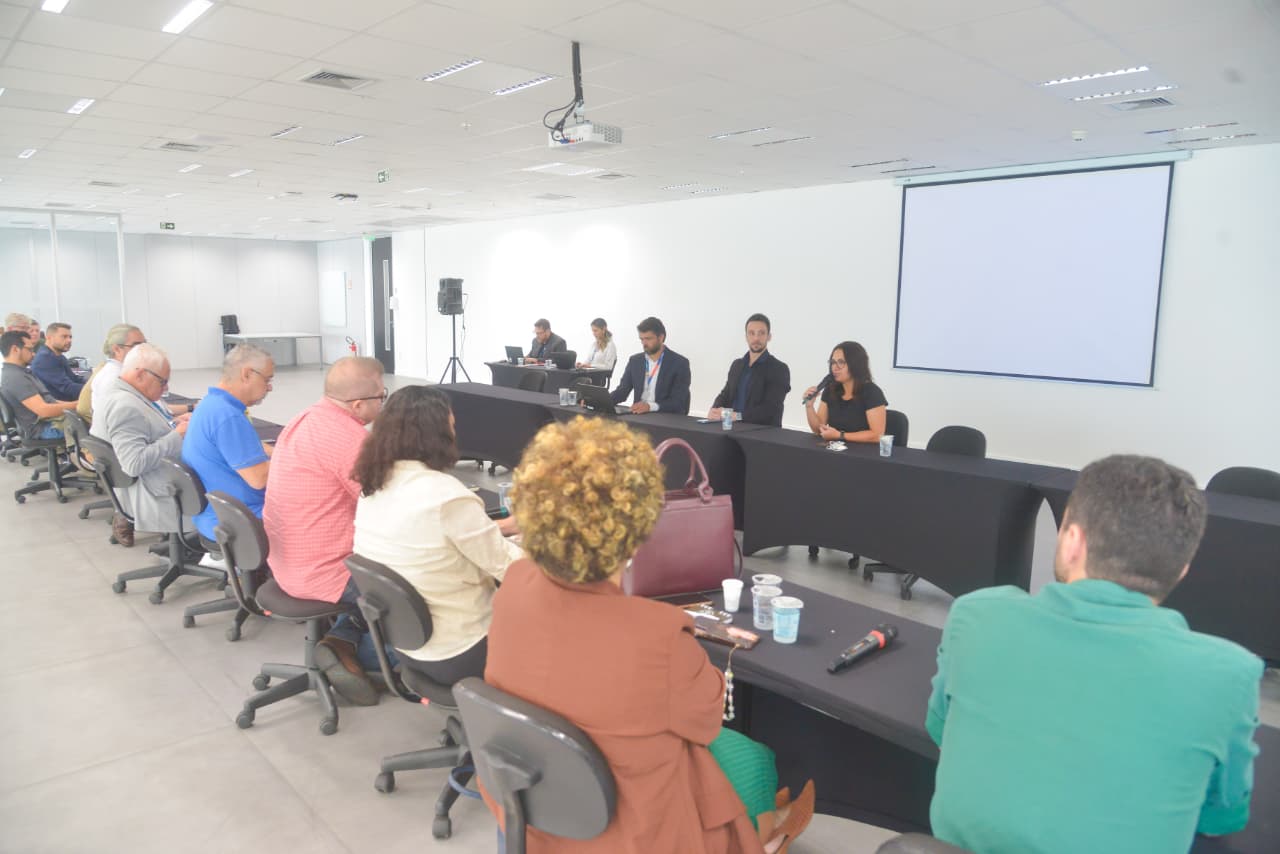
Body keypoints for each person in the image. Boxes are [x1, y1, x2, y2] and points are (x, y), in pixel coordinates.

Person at [485, 417, 813, 853]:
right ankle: (768, 838)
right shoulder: (657, 636)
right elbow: (706, 722)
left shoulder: (514, 586)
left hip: (534, 812)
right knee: (753, 762)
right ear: (637, 532)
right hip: (634, 835)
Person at [927, 454, 1263, 854]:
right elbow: (1221, 818)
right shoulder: (1229, 674)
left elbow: (940, 730)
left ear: (1072, 541)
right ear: (1182, 569)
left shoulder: (977, 615)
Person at [352, 385, 522, 686]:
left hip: (408, 646)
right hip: (464, 650)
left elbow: (428, 539)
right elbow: (513, 570)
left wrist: (504, 528)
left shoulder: (373, 485)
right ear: (437, 436)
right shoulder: (446, 495)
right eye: (452, 427)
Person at [263, 357, 387, 706]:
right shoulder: (350, 439)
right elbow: (386, 506)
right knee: (409, 590)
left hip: (286, 564)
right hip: (328, 573)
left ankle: (340, 641)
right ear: (358, 404)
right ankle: (374, 661)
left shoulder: (304, 420)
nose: (384, 404)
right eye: (382, 396)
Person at [90, 344, 190, 543]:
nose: (166, 388)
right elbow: (134, 463)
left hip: (144, 485)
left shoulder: (119, 393)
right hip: (156, 493)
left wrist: (172, 424)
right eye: (162, 381)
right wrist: (177, 436)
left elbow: (145, 432)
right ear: (141, 374)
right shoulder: (125, 406)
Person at [182, 344, 274, 541]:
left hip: (214, 516)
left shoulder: (210, 404)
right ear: (247, 374)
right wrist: (292, 459)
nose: (269, 387)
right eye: (267, 380)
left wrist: (271, 452)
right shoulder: (228, 416)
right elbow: (259, 478)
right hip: (242, 520)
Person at [709, 313, 791, 427]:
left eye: (761, 333)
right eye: (751, 333)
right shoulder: (737, 365)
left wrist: (737, 416)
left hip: (761, 433)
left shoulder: (779, 369)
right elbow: (726, 393)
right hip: (729, 427)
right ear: (746, 337)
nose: (756, 338)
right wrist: (714, 409)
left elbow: (770, 408)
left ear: (769, 337)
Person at [0, 329, 77, 441]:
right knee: (93, 425)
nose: (33, 353)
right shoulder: (16, 377)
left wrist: (78, 405)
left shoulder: (20, 372)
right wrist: (78, 405)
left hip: (47, 424)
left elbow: (51, 401)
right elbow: (44, 410)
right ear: (15, 349)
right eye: (29, 349)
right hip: (43, 429)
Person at [803, 341, 885, 443]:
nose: (835, 367)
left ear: (856, 365)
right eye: (833, 362)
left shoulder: (872, 392)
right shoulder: (830, 389)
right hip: (836, 449)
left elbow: (877, 435)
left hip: (863, 450)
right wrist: (809, 407)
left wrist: (840, 435)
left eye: (841, 362)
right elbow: (818, 430)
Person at [609, 316, 692, 415]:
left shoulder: (679, 363)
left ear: (661, 337)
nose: (644, 343)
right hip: (639, 415)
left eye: (648, 339)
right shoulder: (635, 361)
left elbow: (678, 402)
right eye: (641, 339)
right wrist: (601, 401)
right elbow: (622, 391)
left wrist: (650, 406)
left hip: (665, 416)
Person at [31, 322, 86, 401]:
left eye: (70, 337)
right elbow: (66, 387)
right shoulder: (45, 358)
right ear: (49, 338)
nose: (69, 340)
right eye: (64, 337)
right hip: (60, 405)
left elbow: (75, 379)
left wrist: (93, 382)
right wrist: (94, 389)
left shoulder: (59, 356)